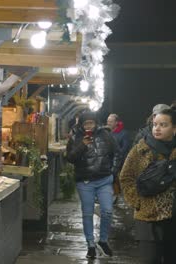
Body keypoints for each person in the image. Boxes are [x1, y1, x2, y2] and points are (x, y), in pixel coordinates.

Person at [119, 108, 176, 264]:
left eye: (163, 125)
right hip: (147, 216)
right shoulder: (140, 149)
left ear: (174, 128)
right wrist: (137, 202)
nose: (157, 128)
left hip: (173, 218)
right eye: (155, 124)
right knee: (149, 259)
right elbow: (126, 177)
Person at [66, 112, 122, 259]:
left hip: (104, 179)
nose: (89, 126)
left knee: (108, 211)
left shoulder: (106, 134)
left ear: (96, 123)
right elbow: (70, 158)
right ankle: (90, 244)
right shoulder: (75, 137)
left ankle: (103, 240)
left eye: (91, 123)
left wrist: (113, 172)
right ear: (81, 125)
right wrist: (82, 145)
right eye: (86, 124)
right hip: (85, 182)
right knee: (87, 213)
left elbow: (117, 153)